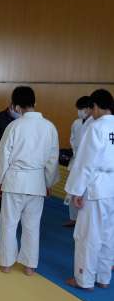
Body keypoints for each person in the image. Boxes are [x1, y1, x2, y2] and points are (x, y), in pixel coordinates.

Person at [0, 86, 60, 276]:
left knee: (8, 223)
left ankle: (6, 263)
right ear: (35, 103)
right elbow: (52, 159)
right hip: (37, 182)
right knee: (32, 226)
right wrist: (48, 182)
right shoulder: (49, 127)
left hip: (14, 181)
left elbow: (4, 155)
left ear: (16, 106)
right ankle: (29, 266)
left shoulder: (14, 126)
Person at [65, 89, 114, 290]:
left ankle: (84, 279)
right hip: (111, 186)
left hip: (95, 188)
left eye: (91, 109)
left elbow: (86, 163)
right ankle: (103, 277)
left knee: (87, 235)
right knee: (108, 234)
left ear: (95, 106)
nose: (90, 113)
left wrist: (76, 191)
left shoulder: (96, 127)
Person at [63, 96, 93, 227]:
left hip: (87, 163)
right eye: (79, 109)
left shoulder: (94, 123)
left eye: (82, 108)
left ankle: (83, 220)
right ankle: (73, 218)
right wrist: (75, 153)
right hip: (76, 160)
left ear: (89, 108)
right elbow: (72, 139)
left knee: (84, 193)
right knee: (72, 189)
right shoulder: (76, 122)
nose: (80, 111)